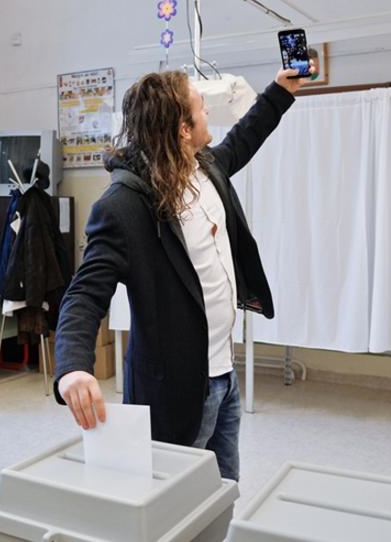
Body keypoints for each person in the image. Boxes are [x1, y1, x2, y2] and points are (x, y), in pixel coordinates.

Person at [54, 65, 312, 482]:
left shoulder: (204, 166)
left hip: (223, 375)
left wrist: (280, 91)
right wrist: (73, 367)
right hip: (174, 388)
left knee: (223, 491)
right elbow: (84, 294)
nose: (208, 110)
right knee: (173, 500)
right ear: (181, 130)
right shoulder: (122, 207)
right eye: (201, 107)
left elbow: (244, 138)